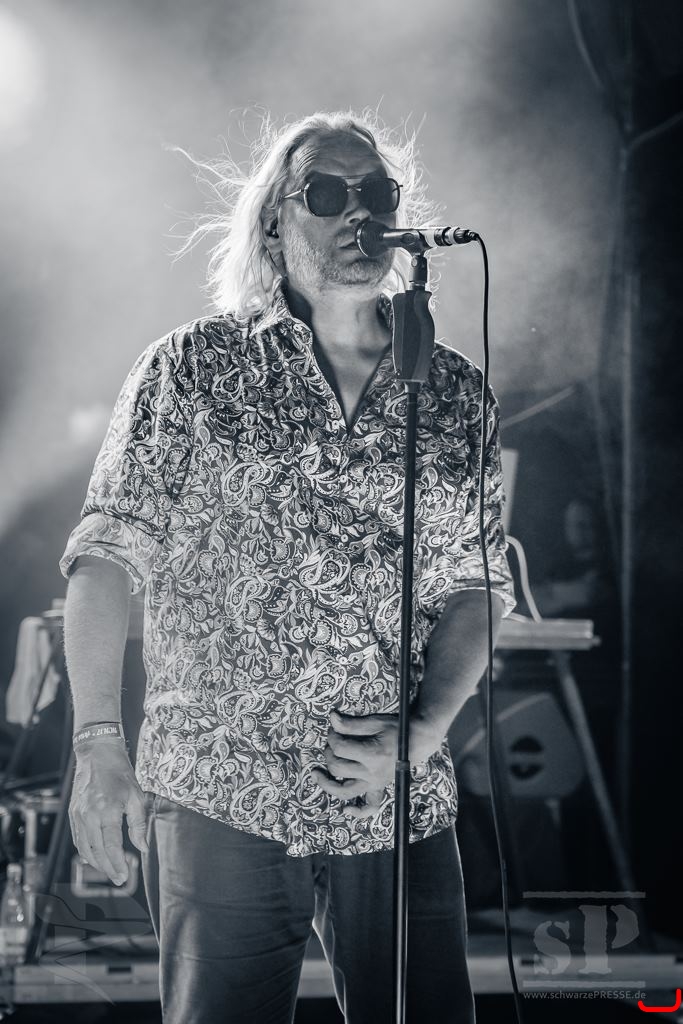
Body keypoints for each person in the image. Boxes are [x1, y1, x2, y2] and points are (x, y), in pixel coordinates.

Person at [60, 111, 515, 1024]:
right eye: (327, 193)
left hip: (391, 789)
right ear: (275, 220)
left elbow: (476, 583)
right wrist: (97, 743)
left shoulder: (452, 390)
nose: (358, 213)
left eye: (376, 193)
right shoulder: (191, 368)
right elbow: (104, 557)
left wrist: (422, 732)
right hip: (222, 784)